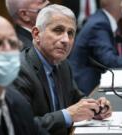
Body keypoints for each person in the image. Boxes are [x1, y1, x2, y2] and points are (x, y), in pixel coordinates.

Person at [10, 4, 112, 135]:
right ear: (36, 34)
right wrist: (67, 115)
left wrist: (96, 107)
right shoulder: (19, 70)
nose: (66, 40)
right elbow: (23, 127)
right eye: (58, 30)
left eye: (71, 33)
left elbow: (75, 97)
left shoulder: (63, 64)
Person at [69, 0, 122, 95]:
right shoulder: (99, 23)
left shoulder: (104, 19)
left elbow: (120, 47)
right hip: (85, 90)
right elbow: (109, 60)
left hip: (98, 84)